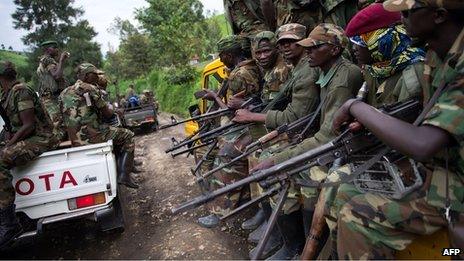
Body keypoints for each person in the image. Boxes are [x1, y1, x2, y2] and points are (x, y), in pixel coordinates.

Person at [326, 0, 464, 259]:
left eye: (407, 12)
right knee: (342, 189)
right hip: (443, 170)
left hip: (452, 180)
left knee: (355, 215)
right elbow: (425, 114)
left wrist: (356, 107)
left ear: (439, 15)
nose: (400, 19)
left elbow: (423, 144)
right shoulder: (436, 54)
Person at [249, 23, 364, 259]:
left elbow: (328, 136)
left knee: (304, 176)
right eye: (307, 47)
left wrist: (278, 159)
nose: (308, 52)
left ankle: (307, 250)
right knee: (284, 173)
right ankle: (293, 246)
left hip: (345, 150)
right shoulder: (325, 71)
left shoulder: (343, 78)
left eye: (314, 47)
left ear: (334, 50)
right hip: (329, 142)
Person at [197, 35, 263, 228]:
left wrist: (214, 97)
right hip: (253, 121)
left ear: (228, 54)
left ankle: (220, 212)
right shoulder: (252, 67)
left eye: (222, 55)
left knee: (225, 158)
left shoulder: (238, 75)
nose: (221, 59)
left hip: (249, 124)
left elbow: (232, 109)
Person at [0, 61, 58, 247]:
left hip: (42, 137)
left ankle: (10, 224)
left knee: (1, 158)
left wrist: (8, 145)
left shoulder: (21, 90)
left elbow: (28, 125)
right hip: (28, 137)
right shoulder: (6, 94)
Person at [240, 31, 292, 233]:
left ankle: (275, 227)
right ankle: (266, 215)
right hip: (270, 128)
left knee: (264, 164)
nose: (261, 56)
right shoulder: (269, 70)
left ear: (276, 49)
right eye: (258, 52)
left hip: (283, 131)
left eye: (266, 51)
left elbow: (286, 109)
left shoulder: (282, 71)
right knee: (253, 158)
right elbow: (270, 102)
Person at [59, 63, 139, 189]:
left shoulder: (64, 93)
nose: (97, 76)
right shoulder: (90, 88)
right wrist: (115, 110)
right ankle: (124, 175)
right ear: (86, 76)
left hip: (75, 141)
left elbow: (62, 118)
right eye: (94, 74)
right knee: (128, 135)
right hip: (93, 136)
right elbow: (107, 114)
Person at [36, 40, 69, 140]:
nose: (57, 50)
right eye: (54, 48)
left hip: (49, 98)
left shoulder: (43, 61)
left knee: (59, 123)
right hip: (51, 99)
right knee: (59, 125)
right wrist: (62, 60)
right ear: (48, 49)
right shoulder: (48, 60)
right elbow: (57, 76)